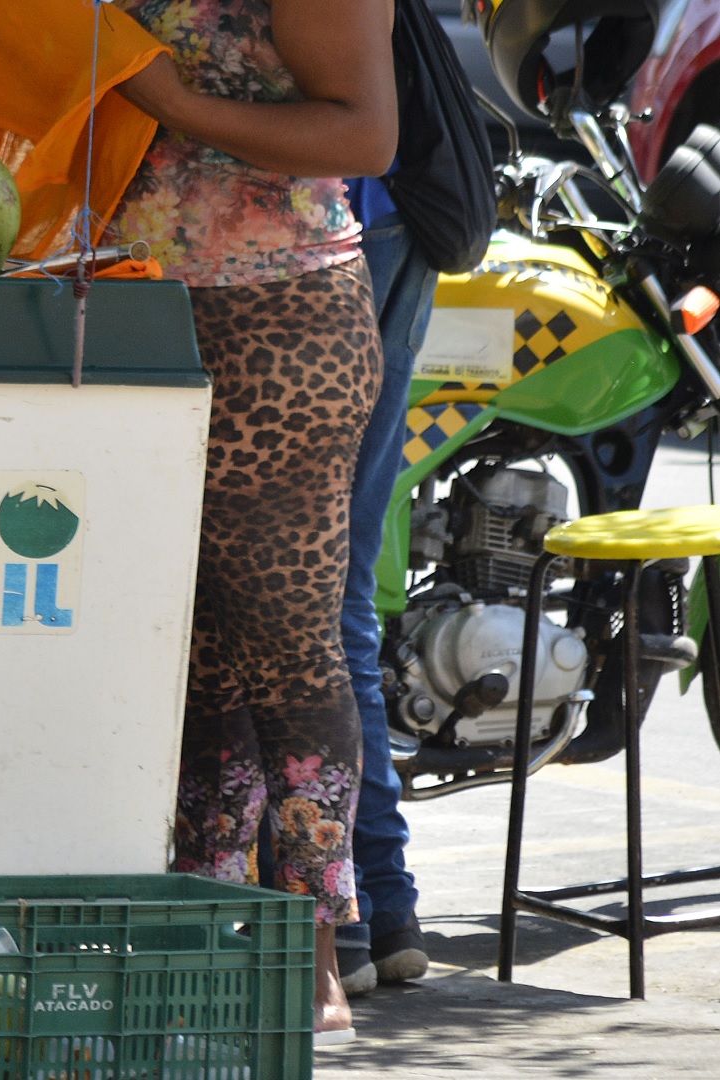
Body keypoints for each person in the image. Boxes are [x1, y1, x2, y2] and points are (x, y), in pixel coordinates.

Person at [110, 0, 397, 1044]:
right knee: (186, 657)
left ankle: (312, 950)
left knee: (282, 648)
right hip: (125, 308)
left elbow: (366, 132)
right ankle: (198, 938)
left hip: (271, 320)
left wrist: (173, 100)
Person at [334, 174, 436, 997]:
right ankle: (379, 911)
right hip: (383, 213)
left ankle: (343, 919)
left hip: (313, 238)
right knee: (338, 602)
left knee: (306, 603)